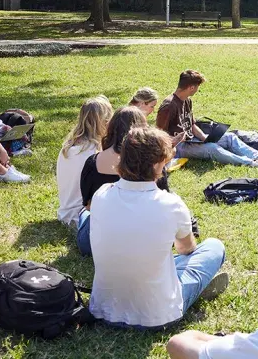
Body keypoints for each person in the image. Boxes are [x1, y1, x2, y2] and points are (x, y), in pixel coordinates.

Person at [88, 126, 228, 329]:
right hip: (157, 315)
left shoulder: (101, 194)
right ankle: (192, 291)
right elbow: (187, 249)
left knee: (165, 262)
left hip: (104, 309)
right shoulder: (171, 203)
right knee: (213, 247)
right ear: (156, 165)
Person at [157, 70, 258, 169]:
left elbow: (192, 125)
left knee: (229, 137)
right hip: (179, 147)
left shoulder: (187, 100)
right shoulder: (168, 106)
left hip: (192, 140)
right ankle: (253, 163)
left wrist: (205, 138)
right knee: (212, 149)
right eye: (197, 87)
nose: (197, 90)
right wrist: (176, 141)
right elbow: (158, 135)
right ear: (191, 87)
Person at [77, 106, 148, 255]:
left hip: (93, 243)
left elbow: (89, 206)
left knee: (83, 213)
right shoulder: (149, 165)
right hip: (138, 240)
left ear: (111, 128)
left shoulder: (92, 162)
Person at [56, 95, 113, 229]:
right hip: (82, 216)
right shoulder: (95, 153)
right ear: (104, 121)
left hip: (65, 213)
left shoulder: (68, 147)